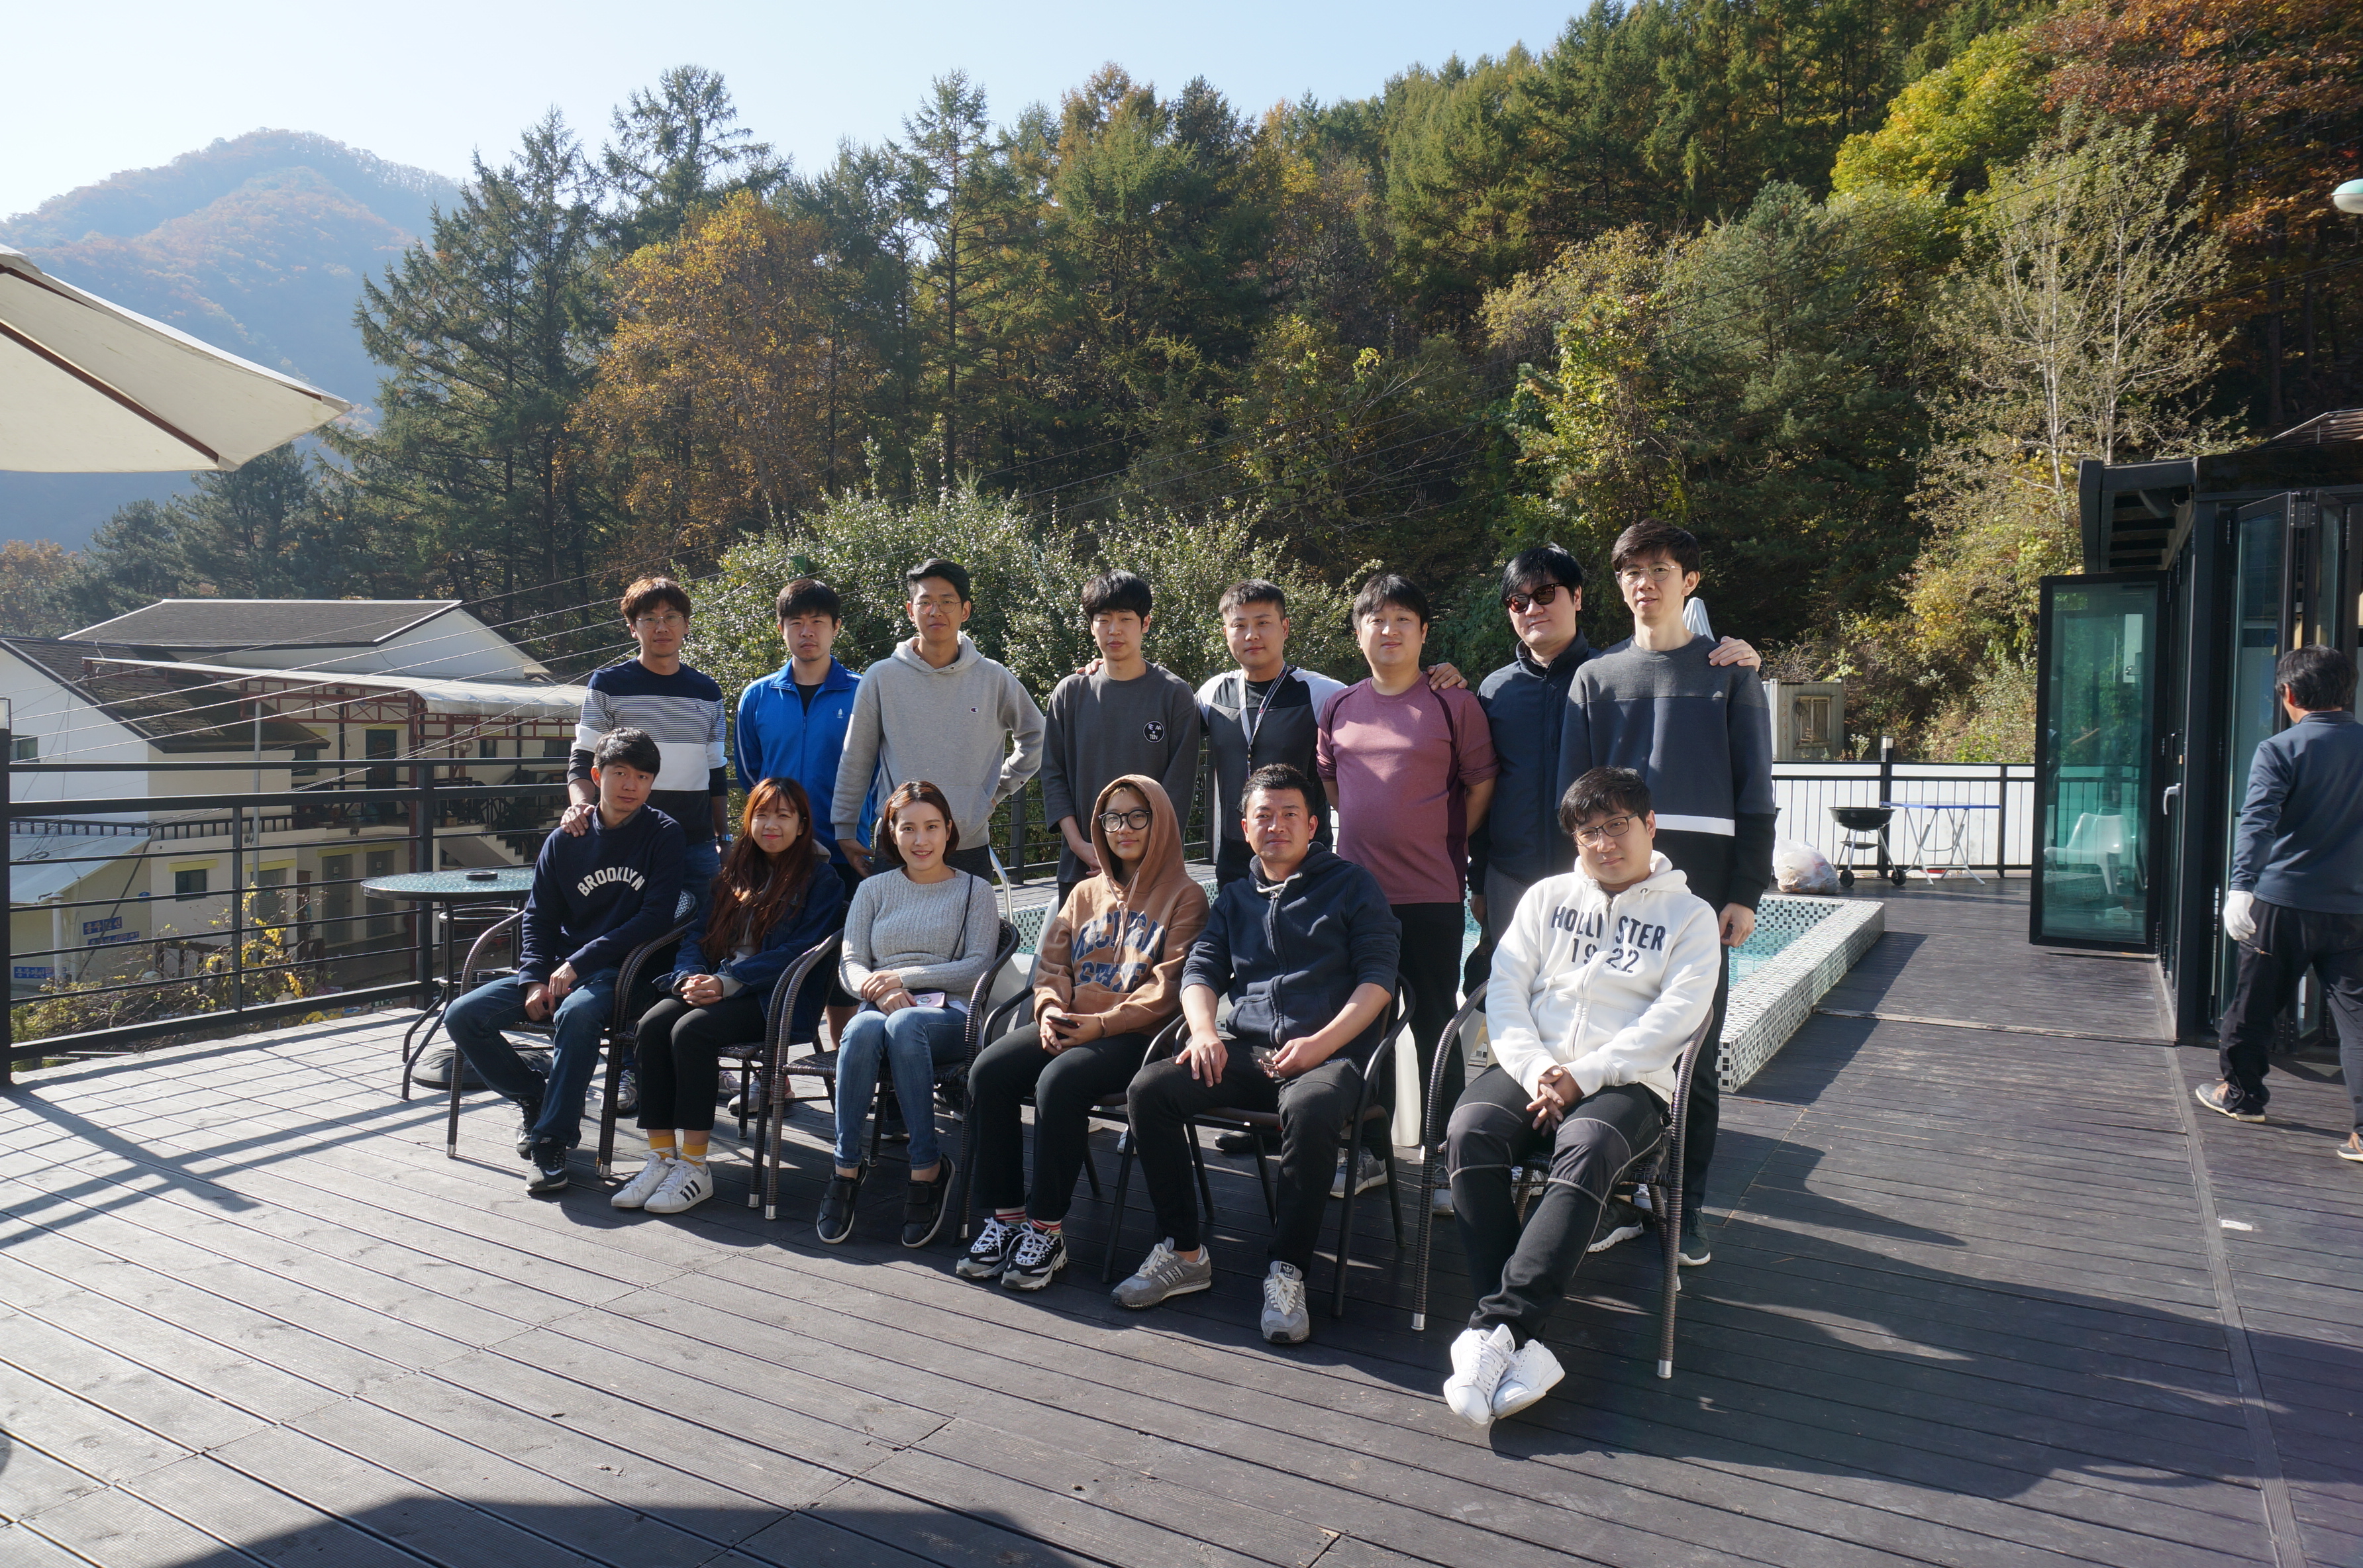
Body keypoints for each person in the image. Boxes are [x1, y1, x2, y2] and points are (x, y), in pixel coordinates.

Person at [1440, 767, 1720, 1427]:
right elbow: (1506, 990)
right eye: (1588, 831)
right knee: (1469, 1128)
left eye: (1617, 825)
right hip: (1532, 1067)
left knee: (1588, 1143)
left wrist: (1584, 1075)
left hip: (1628, 1081)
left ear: (1649, 826)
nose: (1603, 842)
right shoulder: (1547, 898)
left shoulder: (1690, 916)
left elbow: (1675, 1020)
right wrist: (1539, 1068)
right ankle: (1514, 1339)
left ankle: (1495, 1328)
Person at [1113, 765, 1400, 1346]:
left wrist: (1320, 1045)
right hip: (1250, 1053)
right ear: (1244, 829)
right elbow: (1201, 971)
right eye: (1263, 816)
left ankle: (1287, 1270)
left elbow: (1379, 981)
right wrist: (1203, 1032)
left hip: (1332, 1056)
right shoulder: (1236, 898)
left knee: (1312, 1109)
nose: (1276, 826)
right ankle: (1184, 1253)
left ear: (1313, 825)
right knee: (1151, 1089)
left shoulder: (1353, 886)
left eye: (1290, 814)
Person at [1558, 519, 1775, 1269]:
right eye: (1631, 571)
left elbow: (1756, 794)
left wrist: (1746, 890)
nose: (1644, 583)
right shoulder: (1595, 680)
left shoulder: (1730, 674)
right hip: (1613, 889)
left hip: (1705, 886)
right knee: (1607, 1041)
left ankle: (1685, 1208)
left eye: (1660, 569)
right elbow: (1575, 801)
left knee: (1694, 1057)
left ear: (1690, 580)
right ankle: (1617, 1197)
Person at [1466, 545, 1757, 993]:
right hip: (1512, 875)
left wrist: (1744, 659)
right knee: (1510, 996)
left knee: (1591, 998)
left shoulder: (1613, 675)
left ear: (1577, 597)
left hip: (1598, 878)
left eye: (1545, 594)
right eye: (1518, 601)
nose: (1532, 609)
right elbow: (1483, 788)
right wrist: (1481, 880)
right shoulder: (1494, 690)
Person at [960, 776, 1209, 1289]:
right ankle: (1008, 1218)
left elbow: (1168, 988)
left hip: (1139, 1037)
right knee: (989, 1071)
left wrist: (1102, 1024)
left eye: (1137, 816)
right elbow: (1052, 968)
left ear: (1160, 821)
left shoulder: (1186, 897)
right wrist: (1050, 1009)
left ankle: (1046, 1230)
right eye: (1112, 818)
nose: (1124, 828)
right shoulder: (1083, 893)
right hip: (1072, 1022)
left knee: (1060, 1082)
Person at [445, 728, 686, 1196]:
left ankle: (552, 1141)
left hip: (627, 974)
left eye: (642, 777)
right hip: (561, 972)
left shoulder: (663, 834)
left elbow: (656, 918)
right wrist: (533, 979)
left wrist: (578, 962)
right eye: (620, 773)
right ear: (596, 775)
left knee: (576, 1015)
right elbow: (539, 917)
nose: (631, 785)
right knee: (463, 1015)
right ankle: (535, 1096)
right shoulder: (565, 840)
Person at [1317, 572, 1496, 1200]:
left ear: (1423, 632)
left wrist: (1444, 838)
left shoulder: (1453, 704)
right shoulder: (1338, 707)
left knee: (1434, 1024)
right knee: (1364, 1027)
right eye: (1376, 619)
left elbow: (1480, 786)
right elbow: (1333, 786)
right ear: (1358, 632)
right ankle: (1368, 1151)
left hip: (1431, 893)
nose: (1388, 630)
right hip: (1357, 899)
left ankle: (1445, 1156)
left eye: (1402, 620)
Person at [614, 778, 848, 1216]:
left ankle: (695, 1166)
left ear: (802, 825)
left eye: (783, 816)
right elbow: (697, 936)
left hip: (774, 999)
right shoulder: (733, 872)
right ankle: (661, 1158)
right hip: (717, 984)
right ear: (749, 820)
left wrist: (729, 981)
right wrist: (689, 976)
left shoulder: (821, 879)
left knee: (691, 1032)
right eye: (762, 815)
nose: (771, 825)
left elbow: (800, 950)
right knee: (651, 1025)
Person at [819, 781, 1001, 1247]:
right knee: (860, 1030)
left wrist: (900, 978)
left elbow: (978, 966)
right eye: (908, 828)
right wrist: (876, 990)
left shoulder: (975, 890)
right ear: (891, 833)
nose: (921, 840)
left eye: (932, 827)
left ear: (949, 831)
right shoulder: (873, 889)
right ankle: (845, 1166)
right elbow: (851, 963)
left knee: (904, 1023)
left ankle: (927, 1166)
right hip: (880, 1008)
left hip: (950, 1014)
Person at [1197, 579, 1466, 891]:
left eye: (1263, 623)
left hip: (1306, 866)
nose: (1251, 635)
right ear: (1225, 633)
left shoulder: (1323, 693)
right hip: (1234, 865)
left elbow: (1389, 708)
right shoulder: (1212, 694)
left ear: (1285, 628)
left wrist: (1438, 677)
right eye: (1239, 625)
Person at [2205, 644, 2363, 1161]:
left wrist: (2240, 888)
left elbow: (2258, 822)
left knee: (2254, 1007)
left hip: (2282, 905)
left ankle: (2242, 1096)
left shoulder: (2280, 749)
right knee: (2358, 1023)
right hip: (2353, 908)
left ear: (2289, 694)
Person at [832, 558, 1044, 882]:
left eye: (947, 602)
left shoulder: (993, 677)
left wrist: (993, 793)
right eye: (925, 602)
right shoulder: (882, 677)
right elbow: (856, 756)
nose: (936, 611)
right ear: (910, 610)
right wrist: (845, 828)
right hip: (898, 842)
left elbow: (1037, 735)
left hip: (968, 841)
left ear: (966, 610)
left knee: (972, 918)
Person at [736, 575, 864, 1041]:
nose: (807, 631)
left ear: (836, 627)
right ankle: (778, 1070)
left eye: (818, 621)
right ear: (781, 628)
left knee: (842, 961)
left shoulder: (863, 692)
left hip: (847, 850)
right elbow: (751, 774)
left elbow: (878, 769)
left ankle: (842, 1059)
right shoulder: (758, 696)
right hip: (778, 854)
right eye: (796, 622)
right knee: (773, 952)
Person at [564, 577, 729, 924]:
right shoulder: (608, 684)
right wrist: (580, 806)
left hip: (695, 843)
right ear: (632, 628)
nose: (661, 627)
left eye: (671, 617)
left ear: (686, 625)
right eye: (649, 618)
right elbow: (584, 757)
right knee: (624, 933)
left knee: (700, 934)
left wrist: (723, 837)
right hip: (626, 841)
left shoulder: (708, 691)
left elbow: (715, 770)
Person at [1038, 571, 1203, 910]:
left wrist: (1144, 855)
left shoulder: (1174, 694)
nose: (1114, 630)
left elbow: (1179, 787)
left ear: (1145, 623)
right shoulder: (1070, 693)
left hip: (1153, 871)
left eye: (1126, 619)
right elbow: (1053, 775)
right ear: (1091, 626)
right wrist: (1082, 846)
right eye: (1104, 619)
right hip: (1082, 868)